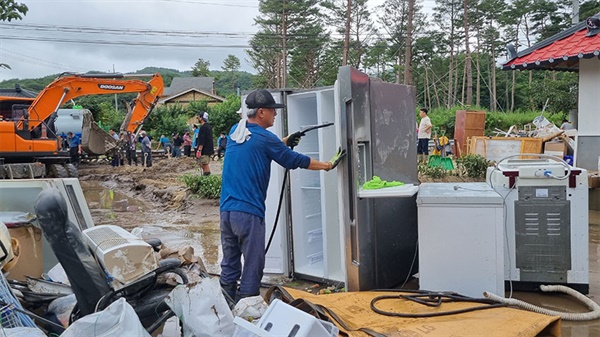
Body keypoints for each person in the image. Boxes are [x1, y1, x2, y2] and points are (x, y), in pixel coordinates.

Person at [219, 89, 346, 302]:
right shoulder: (265, 139)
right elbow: (294, 160)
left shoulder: (236, 131)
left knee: (230, 263)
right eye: (272, 111)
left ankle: (226, 306)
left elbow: (260, 146)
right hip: (248, 213)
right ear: (261, 112)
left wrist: (285, 140)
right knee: (253, 264)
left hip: (226, 212)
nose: (275, 115)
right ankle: (247, 310)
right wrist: (328, 165)